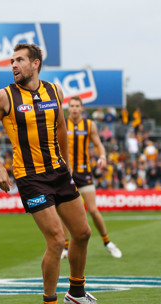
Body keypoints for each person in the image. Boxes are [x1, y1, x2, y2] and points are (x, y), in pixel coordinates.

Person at [0, 43, 107, 304]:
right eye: (11, 61)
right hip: (30, 177)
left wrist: (67, 162)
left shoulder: (54, 91)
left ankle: (76, 292)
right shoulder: (4, 96)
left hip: (59, 172)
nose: (13, 65)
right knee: (56, 238)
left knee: (83, 233)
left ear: (35, 64)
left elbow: (60, 126)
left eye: (19, 60)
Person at [60, 96, 122, 259]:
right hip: (66, 173)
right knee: (64, 212)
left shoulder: (89, 125)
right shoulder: (62, 123)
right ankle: (65, 248)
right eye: (71, 106)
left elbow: (98, 143)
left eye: (77, 106)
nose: (74, 108)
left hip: (84, 172)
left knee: (93, 210)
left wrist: (102, 155)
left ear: (82, 108)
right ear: (68, 108)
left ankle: (107, 242)